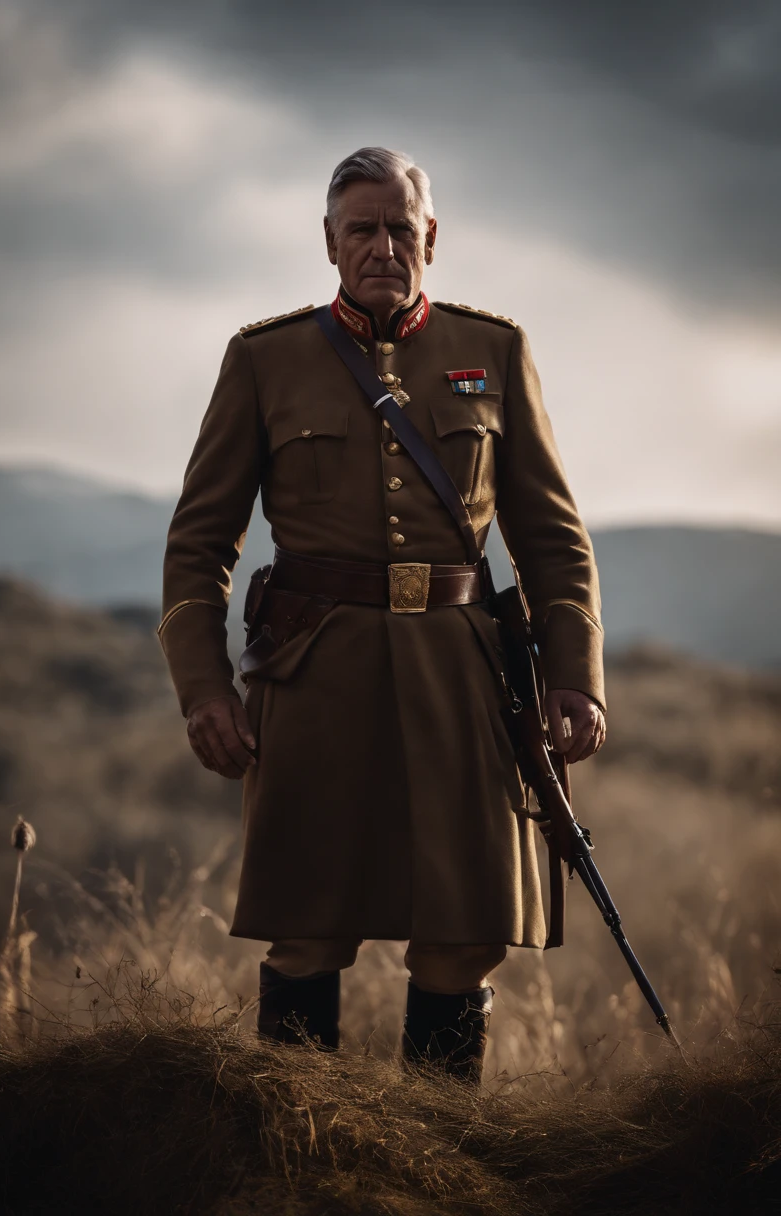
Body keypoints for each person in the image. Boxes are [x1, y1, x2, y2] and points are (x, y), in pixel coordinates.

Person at [159, 146, 606, 1083]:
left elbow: (553, 539)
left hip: (462, 683)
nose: (382, 245)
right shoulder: (262, 360)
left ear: (430, 238)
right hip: (315, 679)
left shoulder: (495, 354)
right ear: (329, 242)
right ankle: (299, 1151)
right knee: (306, 932)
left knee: (462, 932)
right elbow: (198, 548)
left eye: (401, 227)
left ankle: (435, 1161)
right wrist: (204, 691)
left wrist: (575, 677)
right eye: (361, 229)